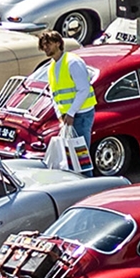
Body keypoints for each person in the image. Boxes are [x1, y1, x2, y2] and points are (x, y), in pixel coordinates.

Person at [42, 30, 95, 174]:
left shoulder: (73, 62)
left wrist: (71, 113)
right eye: (43, 45)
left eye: (48, 44)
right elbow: (54, 94)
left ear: (58, 43)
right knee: (71, 159)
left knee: (80, 159)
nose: (45, 48)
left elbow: (83, 89)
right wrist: (60, 114)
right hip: (68, 117)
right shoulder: (51, 67)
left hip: (81, 115)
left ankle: (87, 183)